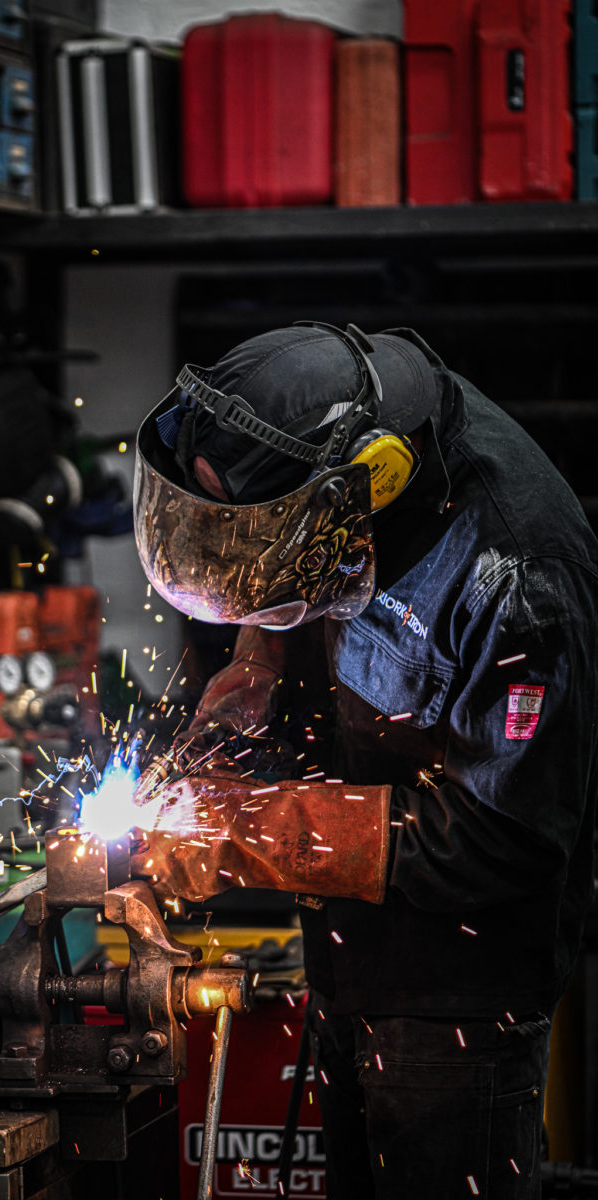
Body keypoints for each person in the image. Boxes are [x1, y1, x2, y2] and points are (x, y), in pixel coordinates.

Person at [129, 322, 598, 1199]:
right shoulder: (326, 423)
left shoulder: (520, 578)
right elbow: (289, 543)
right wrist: (257, 659)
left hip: (458, 1002)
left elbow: (509, 839)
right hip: (349, 948)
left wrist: (254, 832)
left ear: (370, 479)